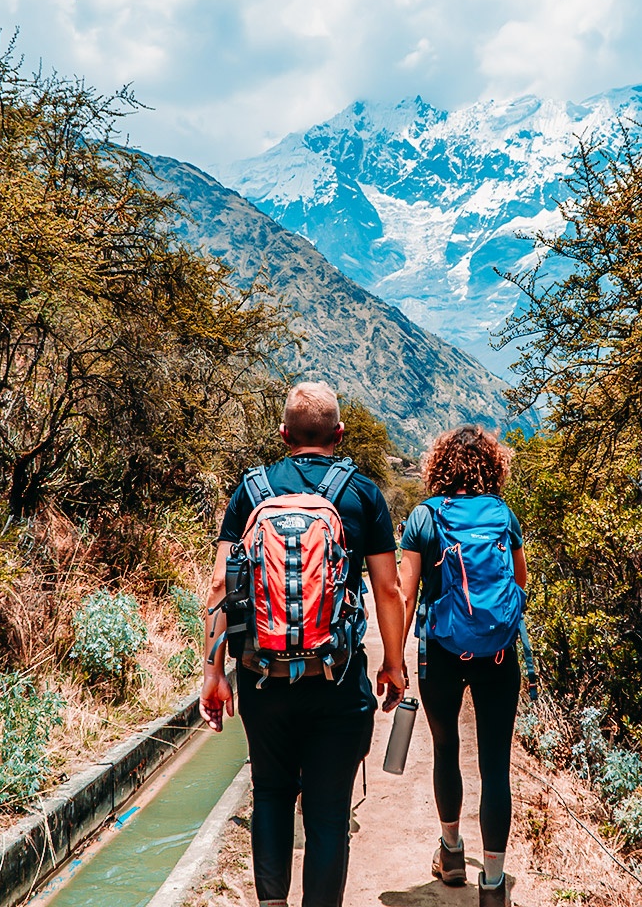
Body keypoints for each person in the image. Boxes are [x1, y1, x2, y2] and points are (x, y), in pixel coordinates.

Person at [200, 381, 408, 907]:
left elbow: (221, 585)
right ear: (339, 434)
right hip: (336, 681)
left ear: (284, 434)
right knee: (328, 812)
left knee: (270, 793)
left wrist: (213, 673)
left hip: (263, 678)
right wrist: (394, 665)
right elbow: (388, 588)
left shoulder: (251, 490)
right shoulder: (363, 493)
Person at [396, 425, 527, 907]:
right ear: (493, 466)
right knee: (495, 765)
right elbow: (519, 586)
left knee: (446, 748)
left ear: (439, 465)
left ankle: (451, 855)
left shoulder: (424, 518)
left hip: (441, 655)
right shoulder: (503, 516)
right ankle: (493, 884)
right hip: (498, 655)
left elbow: (404, 596)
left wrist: (394, 661)